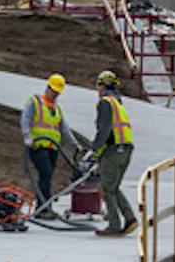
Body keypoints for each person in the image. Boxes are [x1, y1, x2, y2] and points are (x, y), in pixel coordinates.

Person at [18, 73, 79, 216]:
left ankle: (44, 206)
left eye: (58, 93)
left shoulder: (57, 109)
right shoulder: (35, 102)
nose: (55, 95)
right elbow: (25, 119)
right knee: (45, 173)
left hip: (52, 148)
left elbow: (64, 128)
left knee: (48, 176)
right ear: (48, 88)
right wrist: (27, 136)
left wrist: (75, 145)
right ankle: (43, 207)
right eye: (54, 92)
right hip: (37, 146)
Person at [91, 70, 138, 237]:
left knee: (106, 188)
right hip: (126, 150)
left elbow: (104, 130)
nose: (97, 89)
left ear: (103, 86)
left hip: (114, 152)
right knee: (113, 186)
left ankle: (114, 225)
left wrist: (94, 149)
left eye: (98, 85)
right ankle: (130, 218)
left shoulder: (105, 103)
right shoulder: (117, 103)